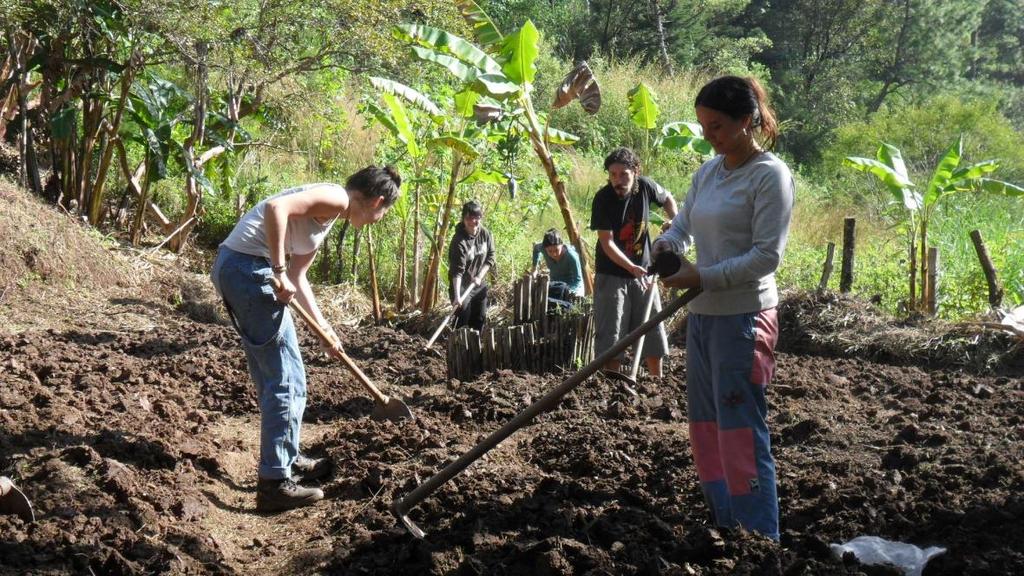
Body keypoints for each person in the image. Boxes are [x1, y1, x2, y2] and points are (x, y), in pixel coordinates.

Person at [210, 166, 402, 513]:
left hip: (242, 269)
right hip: (248, 269)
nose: (378, 219)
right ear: (377, 201)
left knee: (283, 373)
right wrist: (277, 271)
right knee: (286, 379)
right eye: (383, 212)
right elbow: (275, 209)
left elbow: (300, 276)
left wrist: (325, 328)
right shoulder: (337, 196)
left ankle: (287, 456)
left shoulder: (329, 215)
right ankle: (274, 484)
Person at [654, 75, 794, 540]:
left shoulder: (769, 175)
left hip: (743, 319)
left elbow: (765, 256)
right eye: (703, 126)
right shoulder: (708, 172)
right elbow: (682, 226)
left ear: (746, 120)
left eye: (716, 126)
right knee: (706, 427)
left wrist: (701, 277)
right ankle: (724, 523)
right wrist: (666, 246)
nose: (707, 136)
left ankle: (758, 536)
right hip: (703, 315)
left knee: (738, 428)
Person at [590, 147, 678, 377]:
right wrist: (631, 267)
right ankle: (612, 386)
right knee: (611, 334)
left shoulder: (646, 187)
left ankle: (656, 382)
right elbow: (607, 243)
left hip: (644, 273)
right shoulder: (603, 199)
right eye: (613, 175)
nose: (618, 180)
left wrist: (675, 223)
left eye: (623, 174)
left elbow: (668, 198)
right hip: (612, 275)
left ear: (635, 171)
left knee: (653, 330)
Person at [448, 200, 495, 331]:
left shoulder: (485, 234)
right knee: (462, 318)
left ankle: (475, 349)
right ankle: (457, 347)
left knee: (479, 319)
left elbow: (491, 257)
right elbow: (457, 271)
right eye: (469, 218)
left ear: (481, 218)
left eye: (477, 218)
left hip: (479, 284)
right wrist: (457, 296)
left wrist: (479, 276)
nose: (473, 221)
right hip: (462, 286)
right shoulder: (459, 241)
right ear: (463, 219)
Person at [531, 228, 584, 307]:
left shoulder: (571, 256)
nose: (554, 254)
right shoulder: (542, 248)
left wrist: (570, 293)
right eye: (550, 251)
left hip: (571, 287)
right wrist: (534, 268)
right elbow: (536, 249)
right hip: (555, 285)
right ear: (545, 249)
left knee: (567, 305)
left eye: (556, 250)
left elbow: (578, 281)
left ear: (562, 245)